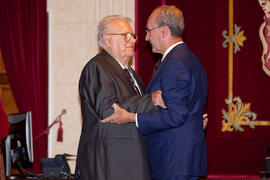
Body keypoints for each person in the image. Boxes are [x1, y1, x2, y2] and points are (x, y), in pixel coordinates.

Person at [101, 5, 208, 180]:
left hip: (173, 161)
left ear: (164, 31)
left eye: (149, 31)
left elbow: (174, 115)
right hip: (183, 159)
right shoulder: (191, 59)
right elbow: (184, 110)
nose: (146, 37)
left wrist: (130, 117)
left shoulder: (175, 63)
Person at [75, 15, 166, 180]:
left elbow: (139, 113)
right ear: (107, 40)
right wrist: (149, 100)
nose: (132, 41)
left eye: (133, 36)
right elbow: (108, 110)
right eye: (125, 35)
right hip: (110, 162)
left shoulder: (132, 74)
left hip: (132, 159)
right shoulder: (97, 67)